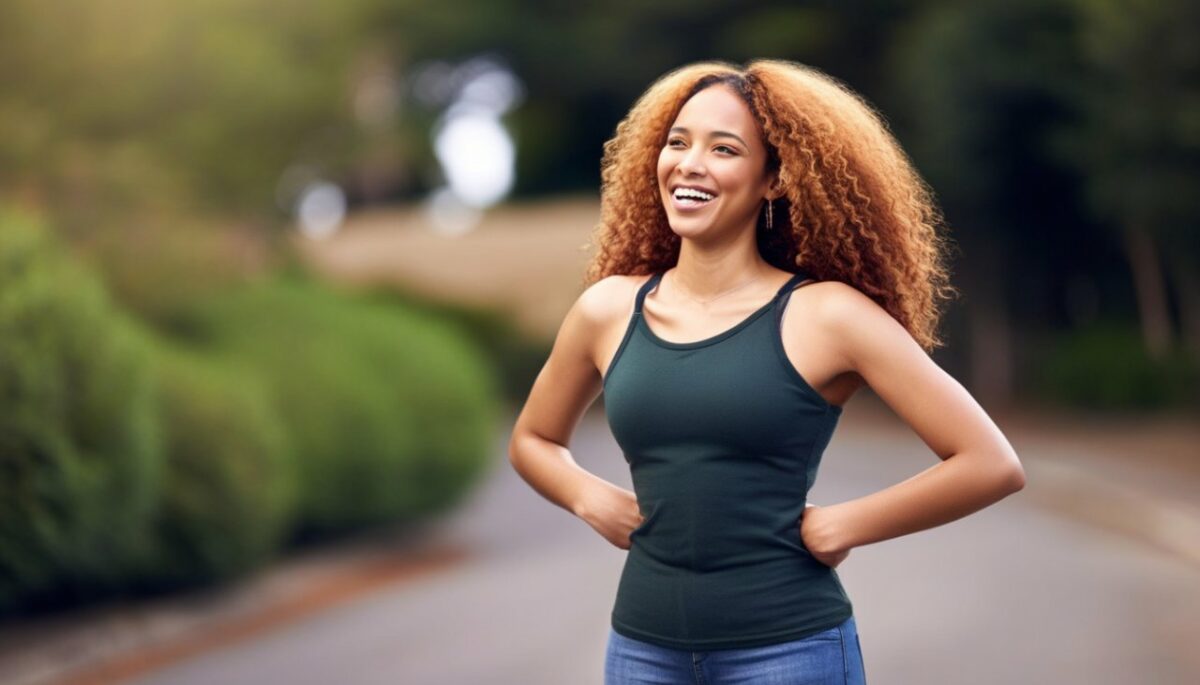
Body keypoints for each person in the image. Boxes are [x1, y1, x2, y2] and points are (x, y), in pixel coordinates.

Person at [508, 58, 1027, 685]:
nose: (690, 163)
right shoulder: (608, 309)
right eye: (678, 142)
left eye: (723, 149)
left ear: (775, 178)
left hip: (788, 653)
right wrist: (587, 496)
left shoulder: (828, 316)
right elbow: (533, 440)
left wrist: (846, 524)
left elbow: (989, 462)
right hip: (642, 653)